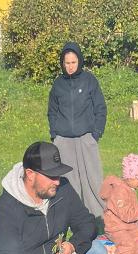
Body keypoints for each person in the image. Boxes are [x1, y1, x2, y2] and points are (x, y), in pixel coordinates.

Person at [47, 42, 107, 218]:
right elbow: (52, 111)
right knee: (68, 181)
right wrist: (55, 135)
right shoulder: (58, 84)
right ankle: (71, 217)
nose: (70, 66)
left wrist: (96, 134)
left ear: (79, 61)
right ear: (62, 63)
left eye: (73, 62)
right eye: (67, 63)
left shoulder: (89, 81)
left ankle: (99, 217)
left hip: (86, 138)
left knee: (93, 179)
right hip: (63, 140)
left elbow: (100, 108)